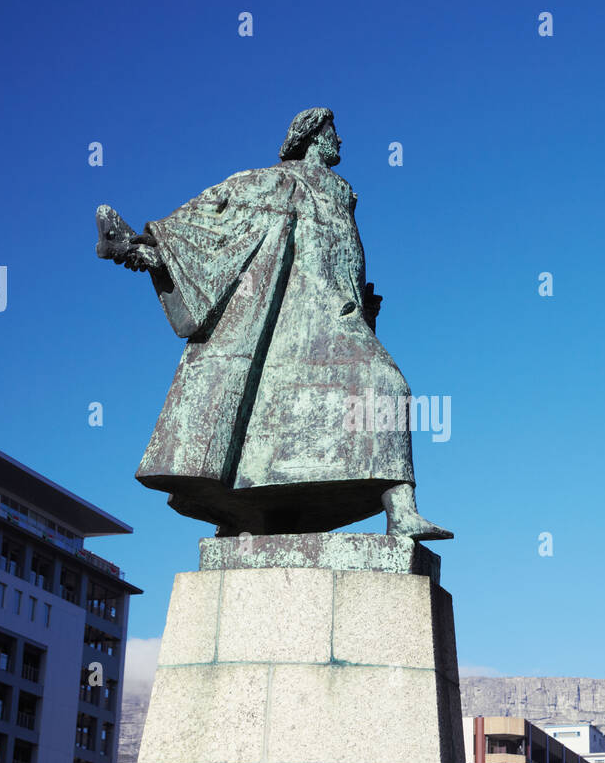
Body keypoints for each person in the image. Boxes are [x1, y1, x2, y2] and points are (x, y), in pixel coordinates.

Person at [96, 107, 452, 540]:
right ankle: (396, 510)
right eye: (334, 133)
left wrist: (361, 302)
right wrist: (159, 243)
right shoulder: (284, 180)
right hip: (300, 311)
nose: (340, 142)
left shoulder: (338, 189)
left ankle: (378, 511)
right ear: (312, 137)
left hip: (335, 311)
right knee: (387, 384)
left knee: (297, 409)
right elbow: (223, 205)